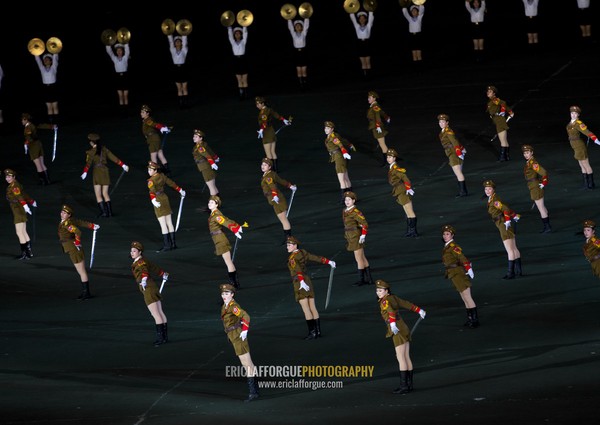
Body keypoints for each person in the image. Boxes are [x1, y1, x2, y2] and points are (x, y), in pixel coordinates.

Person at [375, 279, 426, 394]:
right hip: (403, 326)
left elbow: (391, 312)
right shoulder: (393, 297)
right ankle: (409, 385)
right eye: (377, 291)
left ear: (386, 291)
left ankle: (404, 385)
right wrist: (419, 310)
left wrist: (392, 323)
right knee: (406, 356)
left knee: (400, 357)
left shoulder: (384, 301)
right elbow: (406, 303)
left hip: (397, 329)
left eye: (380, 290)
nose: (378, 293)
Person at [285, 236, 336, 340]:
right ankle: (318, 331)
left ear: (295, 245)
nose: (287, 247)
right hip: (307, 279)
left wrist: (301, 282)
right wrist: (328, 261)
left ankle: (312, 333)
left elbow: (297, 269)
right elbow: (315, 257)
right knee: (313, 307)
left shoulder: (292, 258)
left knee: (306, 309)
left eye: (289, 245)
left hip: (299, 282)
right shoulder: (303, 252)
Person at [220, 283, 259, 402]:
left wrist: (245, 330)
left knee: (246, 363)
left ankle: (253, 392)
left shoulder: (232, 306)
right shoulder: (226, 305)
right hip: (233, 335)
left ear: (232, 294)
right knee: (248, 363)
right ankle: (255, 389)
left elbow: (246, 316)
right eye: (223, 293)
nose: (224, 295)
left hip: (238, 336)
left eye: (227, 293)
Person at [130, 241, 170, 346]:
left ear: (140, 252)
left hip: (147, 288)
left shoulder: (139, 262)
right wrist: (163, 274)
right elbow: (153, 267)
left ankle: (160, 338)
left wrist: (143, 279)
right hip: (153, 287)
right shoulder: (144, 260)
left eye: (134, 251)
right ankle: (165, 337)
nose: (132, 253)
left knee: (155, 314)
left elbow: (144, 271)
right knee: (160, 312)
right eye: (131, 251)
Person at [80, 133, 129, 218]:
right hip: (105, 171)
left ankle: (104, 212)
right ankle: (110, 213)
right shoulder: (104, 149)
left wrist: (85, 172)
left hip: (97, 173)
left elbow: (88, 163)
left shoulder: (91, 152)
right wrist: (123, 165)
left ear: (92, 142)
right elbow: (113, 158)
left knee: (98, 195)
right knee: (105, 193)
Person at [57, 204, 99, 300]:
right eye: (62, 212)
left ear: (69, 215)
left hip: (74, 249)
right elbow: (80, 222)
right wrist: (92, 225)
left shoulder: (67, 224)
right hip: (71, 248)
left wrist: (77, 242)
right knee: (81, 271)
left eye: (65, 213)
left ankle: (86, 293)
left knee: (81, 272)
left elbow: (78, 231)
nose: (62, 214)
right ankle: (86, 292)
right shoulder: (69, 221)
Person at [441, 225, 479, 328]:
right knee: (464, 297)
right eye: (444, 234)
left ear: (452, 235)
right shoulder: (448, 246)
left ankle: (474, 320)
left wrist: (468, 268)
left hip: (458, 273)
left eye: (447, 234)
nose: (445, 236)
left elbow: (461, 257)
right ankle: (470, 319)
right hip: (453, 273)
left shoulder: (453, 246)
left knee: (467, 296)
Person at [483, 180, 522, 279]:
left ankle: (511, 272)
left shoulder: (494, 200)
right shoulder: (492, 198)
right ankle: (519, 271)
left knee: (510, 249)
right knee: (514, 247)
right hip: (503, 222)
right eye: (486, 189)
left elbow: (505, 209)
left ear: (493, 189)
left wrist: (508, 220)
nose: (487, 191)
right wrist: (514, 215)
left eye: (489, 189)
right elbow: (506, 207)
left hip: (503, 223)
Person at [146, 161, 186, 252]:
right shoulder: (162, 176)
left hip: (158, 199)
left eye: (150, 169)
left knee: (163, 224)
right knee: (169, 222)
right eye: (148, 169)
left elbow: (151, 191)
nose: (149, 171)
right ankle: (173, 243)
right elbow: (171, 183)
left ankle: (167, 245)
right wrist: (180, 190)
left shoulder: (151, 180)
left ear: (155, 170)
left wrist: (153, 200)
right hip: (164, 198)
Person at [207, 195, 243, 289]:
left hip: (220, 239)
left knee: (228, 262)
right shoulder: (215, 213)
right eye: (209, 202)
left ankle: (234, 283)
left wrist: (234, 229)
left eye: (212, 202)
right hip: (218, 238)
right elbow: (227, 219)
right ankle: (235, 282)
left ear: (216, 204)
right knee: (228, 261)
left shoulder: (216, 215)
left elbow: (225, 222)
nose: (209, 204)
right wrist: (236, 226)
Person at [260, 158, 296, 243]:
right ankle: (288, 238)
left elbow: (273, 186)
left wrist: (275, 196)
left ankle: (289, 239)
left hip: (277, 199)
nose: (263, 166)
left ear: (269, 167)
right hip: (274, 200)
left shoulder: (268, 176)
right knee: (282, 219)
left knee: (284, 219)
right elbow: (281, 181)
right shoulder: (271, 174)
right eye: (262, 164)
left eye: (265, 165)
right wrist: (290, 186)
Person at [343, 191, 373, 287]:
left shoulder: (355, 212)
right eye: (346, 199)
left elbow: (364, 223)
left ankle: (362, 279)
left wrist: (363, 235)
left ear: (354, 200)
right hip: (350, 235)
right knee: (362, 257)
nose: (347, 201)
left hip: (356, 236)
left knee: (359, 258)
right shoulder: (346, 211)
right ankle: (369, 279)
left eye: (349, 200)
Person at [4, 169, 36, 260]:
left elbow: (19, 196)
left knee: (19, 232)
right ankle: (29, 253)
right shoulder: (15, 184)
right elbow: (24, 194)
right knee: (23, 231)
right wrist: (31, 201)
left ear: (14, 177)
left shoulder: (14, 186)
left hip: (18, 209)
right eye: (6, 177)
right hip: (19, 208)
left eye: (9, 177)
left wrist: (26, 206)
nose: (7, 178)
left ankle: (24, 253)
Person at [386, 148, 418, 237]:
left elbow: (405, 178)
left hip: (402, 189)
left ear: (394, 158)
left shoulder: (396, 168)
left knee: (409, 211)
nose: (388, 159)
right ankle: (410, 230)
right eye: (388, 157)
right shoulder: (392, 167)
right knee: (407, 212)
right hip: (398, 189)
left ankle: (413, 231)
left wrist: (408, 188)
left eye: (390, 157)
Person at [255, 96, 291, 172]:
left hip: (267, 133)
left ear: (262, 103)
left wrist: (261, 129)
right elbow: (276, 115)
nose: (257, 106)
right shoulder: (269, 109)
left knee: (268, 154)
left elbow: (264, 122)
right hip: (271, 131)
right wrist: (283, 119)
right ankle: (276, 169)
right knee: (273, 152)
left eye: (258, 104)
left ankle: (271, 170)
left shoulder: (263, 112)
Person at [566, 105, 598, 189]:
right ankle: (586, 183)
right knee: (581, 165)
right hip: (574, 146)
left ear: (578, 115)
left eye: (575, 113)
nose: (573, 115)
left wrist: (595, 139)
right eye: (572, 113)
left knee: (586, 164)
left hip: (579, 146)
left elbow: (586, 131)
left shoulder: (578, 123)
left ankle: (591, 184)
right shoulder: (571, 123)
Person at [521, 145, 551, 233]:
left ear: (532, 152)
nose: (525, 155)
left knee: (540, 208)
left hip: (535, 185)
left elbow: (543, 172)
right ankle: (547, 225)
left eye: (527, 152)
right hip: (533, 185)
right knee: (542, 207)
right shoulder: (529, 162)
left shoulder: (532, 163)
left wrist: (544, 182)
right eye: (524, 153)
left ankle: (547, 227)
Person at [437, 114, 468, 197]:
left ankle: (463, 192)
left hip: (453, 152)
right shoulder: (443, 131)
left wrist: (458, 152)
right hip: (450, 152)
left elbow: (454, 142)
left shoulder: (448, 131)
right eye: (440, 122)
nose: (441, 124)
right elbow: (455, 140)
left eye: (443, 122)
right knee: (458, 172)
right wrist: (461, 148)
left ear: (447, 123)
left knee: (458, 172)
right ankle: (463, 191)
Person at [323, 121, 353, 202]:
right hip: (338, 156)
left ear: (332, 129)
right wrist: (350, 144)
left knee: (342, 179)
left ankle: (344, 199)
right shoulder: (332, 135)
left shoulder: (333, 137)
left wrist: (344, 151)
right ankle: (351, 197)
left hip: (339, 157)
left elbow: (340, 144)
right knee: (346, 178)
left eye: (328, 128)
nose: (326, 129)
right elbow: (342, 140)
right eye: (325, 128)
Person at [21, 112, 53, 185]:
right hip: (39, 144)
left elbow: (29, 138)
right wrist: (51, 126)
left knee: (38, 165)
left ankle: (43, 181)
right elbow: (42, 126)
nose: (22, 121)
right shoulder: (33, 125)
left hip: (33, 146)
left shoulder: (27, 128)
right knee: (42, 163)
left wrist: (27, 142)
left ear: (26, 120)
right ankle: (47, 180)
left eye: (23, 120)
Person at [140, 104, 171, 174]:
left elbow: (154, 124)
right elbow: (155, 124)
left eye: (143, 112)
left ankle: (155, 171)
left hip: (152, 139)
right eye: (141, 112)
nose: (141, 114)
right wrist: (164, 127)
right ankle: (167, 169)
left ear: (147, 113)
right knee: (160, 154)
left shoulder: (147, 120)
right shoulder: (146, 120)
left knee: (153, 156)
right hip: (155, 138)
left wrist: (161, 128)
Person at [486, 85, 514, 162]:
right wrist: (510, 111)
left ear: (494, 93)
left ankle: (502, 157)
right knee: (504, 140)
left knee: (502, 140)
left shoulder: (495, 100)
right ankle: (507, 157)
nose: (488, 93)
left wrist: (509, 111)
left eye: (490, 91)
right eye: (488, 91)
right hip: (498, 120)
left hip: (499, 121)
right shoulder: (491, 101)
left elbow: (502, 103)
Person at [192, 129, 220, 196]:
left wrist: (212, 163)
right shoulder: (203, 144)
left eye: (196, 137)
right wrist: (215, 158)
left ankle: (213, 202)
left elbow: (206, 154)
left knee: (210, 186)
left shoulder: (199, 147)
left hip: (205, 167)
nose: (194, 138)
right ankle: (217, 201)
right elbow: (210, 151)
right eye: (193, 136)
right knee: (213, 185)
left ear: (201, 138)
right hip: (206, 166)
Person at [366, 90, 391, 165]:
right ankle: (388, 160)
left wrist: (378, 126)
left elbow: (377, 117)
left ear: (374, 98)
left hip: (377, 127)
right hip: (376, 126)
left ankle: (387, 161)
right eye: (368, 97)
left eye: (370, 98)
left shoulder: (374, 106)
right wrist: (386, 117)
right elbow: (380, 112)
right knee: (381, 144)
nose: (368, 99)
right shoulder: (374, 106)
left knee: (382, 144)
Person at [34, 52, 59, 123]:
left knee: (55, 106)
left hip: (53, 88)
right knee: (49, 107)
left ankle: (56, 124)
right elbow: (38, 60)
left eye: (47, 59)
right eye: (44, 60)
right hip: (45, 89)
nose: (45, 61)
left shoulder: (54, 67)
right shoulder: (42, 68)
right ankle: (51, 124)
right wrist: (35, 52)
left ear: (51, 61)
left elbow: (55, 57)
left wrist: (55, 50)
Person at [105, 43, 131, 109]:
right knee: (120, 96)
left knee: (125, 96)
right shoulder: (114, 58)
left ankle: (126, 112)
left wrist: (125, 42)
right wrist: (107, 43)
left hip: (125, 77)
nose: (119, 52)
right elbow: (109, 52)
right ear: (116, 52)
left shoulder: (125, 57)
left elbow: (127, 50)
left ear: (122, 51)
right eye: (118, 51)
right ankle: (122, 113)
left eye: (120, 50)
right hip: (118, 78)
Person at [349, 10, 374, 78]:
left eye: (363, 18)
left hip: (367, 44)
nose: (362, 20)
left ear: (365, 19)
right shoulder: (357, 26)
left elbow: (371, 17)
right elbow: (353, 18)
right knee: (363, 62)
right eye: (360, 18)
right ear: (359, 20)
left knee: (368, 61)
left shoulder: (368, 26)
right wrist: (350, 9)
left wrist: (370, 10)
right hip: (360, 44)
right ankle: (364, 76)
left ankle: (369, 76)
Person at [166, 34, 189, 108]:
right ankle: (181, 104)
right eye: (176, 42)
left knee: (184, 88)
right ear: (175, 44)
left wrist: (184, 34)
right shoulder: (172, 50)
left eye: (179, 41)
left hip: (183, 69)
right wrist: (169, 34)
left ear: (181, 43)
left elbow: (185, 42)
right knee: (179, 88)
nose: (178, 43)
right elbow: (170, 42)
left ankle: (186, 103)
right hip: (176, 69)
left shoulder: (184, 50)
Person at [287, 18, 310, 89]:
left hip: (303, 53)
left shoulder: (304, 33)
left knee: (304, 70)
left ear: (301, 27)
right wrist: (289, 19)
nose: (297, 27)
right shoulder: (293, 34)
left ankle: (305, 84)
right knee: (298, 70)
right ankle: (301, 85)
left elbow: (306, 26)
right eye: (296, 26)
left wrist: (306, 17)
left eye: (299, 26)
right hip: (296, 53)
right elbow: (290, 27)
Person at [227, 26, 249, 100]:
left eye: (238, 33)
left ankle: (246, 94)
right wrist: (229, 28)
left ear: (241, 34)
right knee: (239, 79)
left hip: (243, 60)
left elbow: (245, 33)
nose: (237, 35)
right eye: (235, 34)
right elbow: (230, 36)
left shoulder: (243, 41)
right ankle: (241, 94)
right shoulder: (233, 42)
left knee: (244, 79)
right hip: (236, 61)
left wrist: (244, 26)